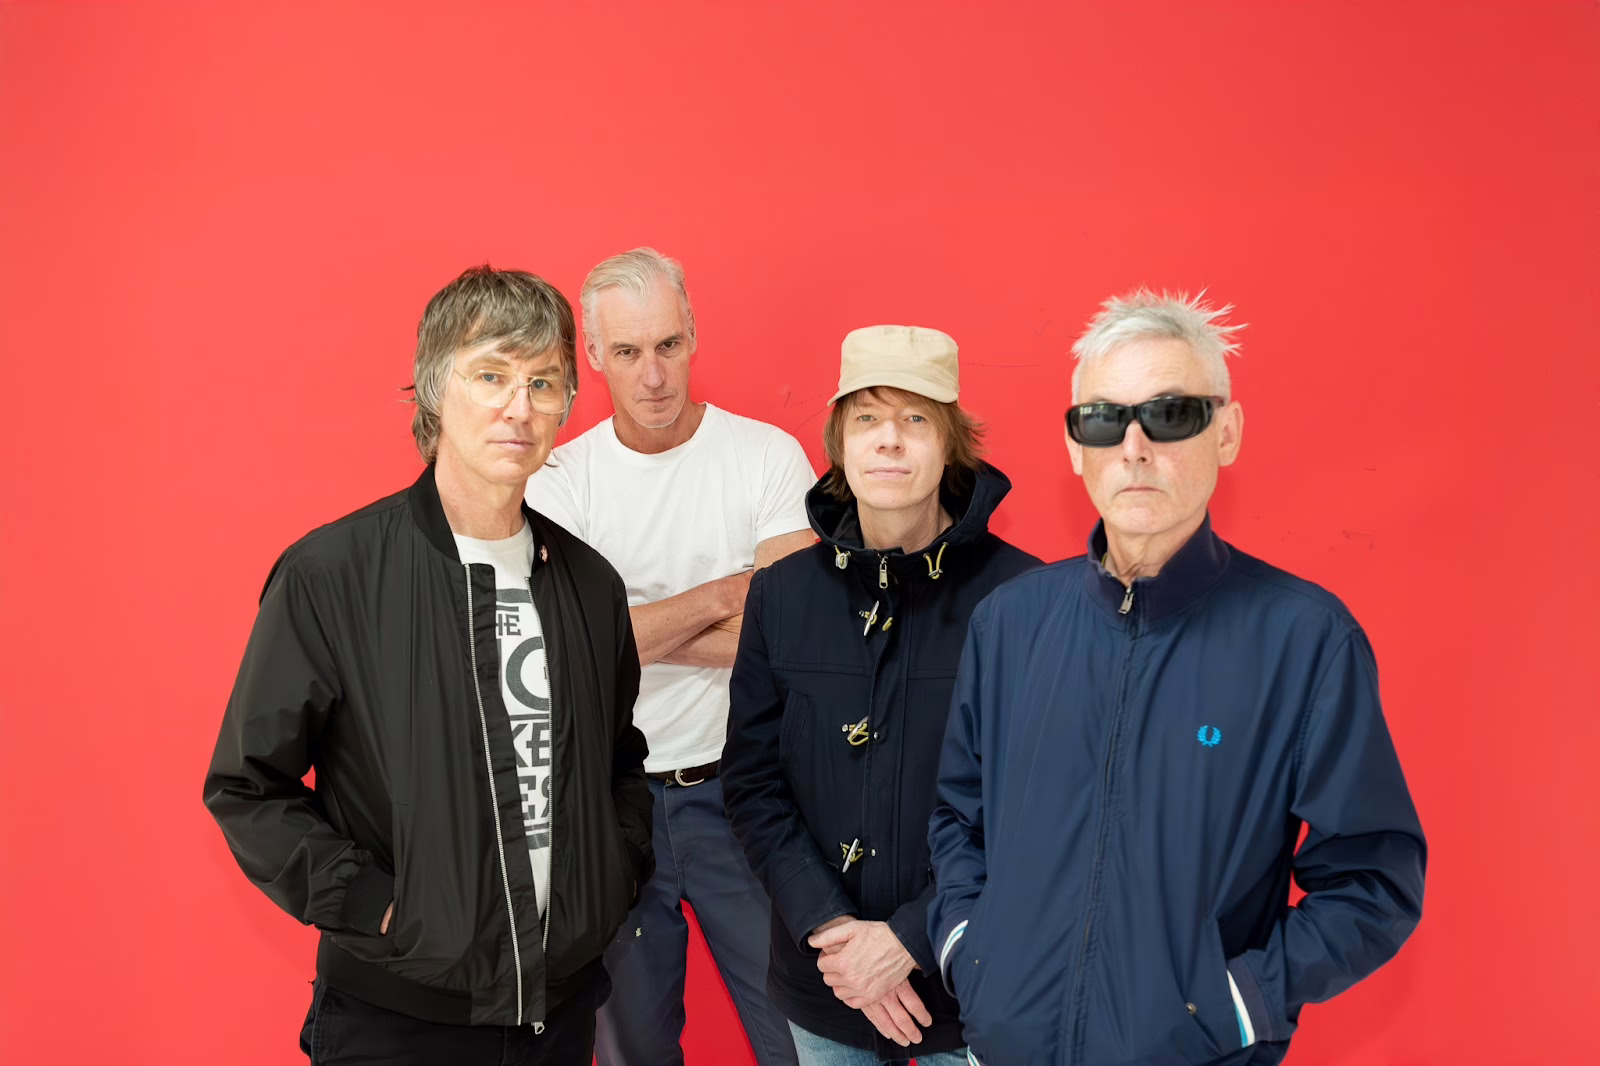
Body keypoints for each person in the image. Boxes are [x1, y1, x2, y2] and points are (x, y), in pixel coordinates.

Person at [927, 290, 1427, 1066]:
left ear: (1227, 432)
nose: (1134, 447)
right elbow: (958, 819)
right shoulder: (1010, 623)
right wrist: (970, 952)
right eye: (1104, 419)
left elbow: (1374, 879)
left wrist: (1237, 1004)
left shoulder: (1305, 640)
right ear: (1074, 447)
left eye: (1170, 415)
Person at [204, 266, 652, 1065]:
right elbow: (247, 786)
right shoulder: (332, 575)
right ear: (436, 388)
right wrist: (376, 906)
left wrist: (610, 880)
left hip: (560, 1014)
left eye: (544, 382)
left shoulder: (590, 585)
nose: (520, 407)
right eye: (492, 376)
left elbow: (621, 763)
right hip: (396, 1019)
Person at [722, 325, 1042, 1066]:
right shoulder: (781, 594)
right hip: (825, 982)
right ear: (839, 441)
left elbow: (1041, 805)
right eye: (867, 417)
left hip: (971, 982)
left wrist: (908, 939)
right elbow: (752, 783)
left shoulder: (1025, 599)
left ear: (952, 443)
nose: (889, 439)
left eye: (915, 418)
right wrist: (834, 932)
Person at [525, 248, 811, 1066]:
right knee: (631, 1053)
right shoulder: (560, 480)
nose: (653, 376)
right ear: (592, 354)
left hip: (745, 794)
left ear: (693, 334)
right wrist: (725, 594)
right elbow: (565, 649)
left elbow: (790, 638)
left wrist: (627, 628)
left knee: (801, 1042)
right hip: (613, 805)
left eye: (668, 345)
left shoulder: (765, 456)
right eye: (627, 351)